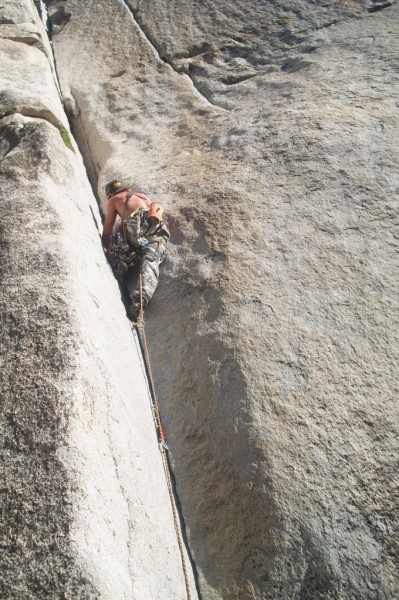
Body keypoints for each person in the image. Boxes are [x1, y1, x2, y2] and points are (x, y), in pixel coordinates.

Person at [102, 179, 169, 318]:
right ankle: (142, 298)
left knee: (118, 230)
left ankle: (121, 265)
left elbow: (107, 230)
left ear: (109, 194)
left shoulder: (114, 199)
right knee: (151, 261)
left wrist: (107, 250)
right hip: (157, 230)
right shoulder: (143, 197)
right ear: (127, 189)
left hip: (136, 229)